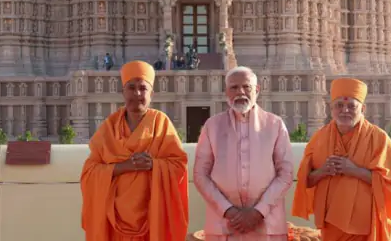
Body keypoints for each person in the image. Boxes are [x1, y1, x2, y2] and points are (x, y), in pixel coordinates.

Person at [80, 60, 189, 241]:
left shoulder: (161, 123)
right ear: (123, 91)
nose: (137, 93)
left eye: (143, 88)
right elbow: (89, 172)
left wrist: (153, 164)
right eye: (131, 87)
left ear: (151, 94)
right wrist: (124, 166)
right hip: (113, 217)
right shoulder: (110, 126)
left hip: (152, 217)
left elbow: (178, 164)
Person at [292, 78, 391, 241]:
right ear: (331, 109)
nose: (345, 110)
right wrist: (323, 171)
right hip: (330, 224)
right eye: (339, 105)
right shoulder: (319, 139)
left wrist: (354, 170)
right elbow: (306, 181)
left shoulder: (378, 139)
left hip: (364, 225)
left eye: (352, 106)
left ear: (363, 108)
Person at [193, 66, 294, 240]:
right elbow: (200, 175)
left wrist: (258, 212)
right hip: (223, 224)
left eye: (246, 87)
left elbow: (286, 174)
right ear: (226, 92)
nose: (240, 92)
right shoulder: (212, 126)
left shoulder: (275, 125)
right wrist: (228, 210)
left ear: (257, 90)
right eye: (234, 87)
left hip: (267, 223)